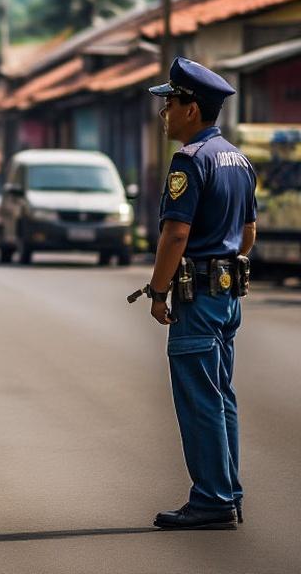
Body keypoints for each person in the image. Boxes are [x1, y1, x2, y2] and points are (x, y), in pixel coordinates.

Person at [143, 57, 257, 531]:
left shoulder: (190, 161)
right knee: (221, 396)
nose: (164, 112)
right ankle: (228, 492)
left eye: (170, 103)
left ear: (192, 109)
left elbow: (175, 234)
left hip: (199, 299)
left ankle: (212, 499)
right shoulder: (238, 160)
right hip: (226, 297)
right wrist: (223, 266)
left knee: (200, 400)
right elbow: (248, 233)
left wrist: (158, 291)